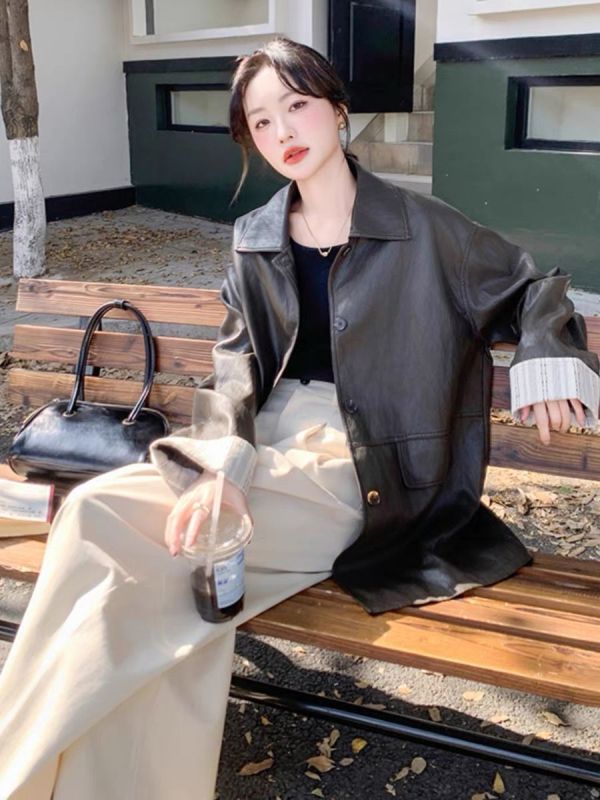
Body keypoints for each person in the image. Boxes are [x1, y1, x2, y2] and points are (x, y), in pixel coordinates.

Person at [0, 36, 598, 800]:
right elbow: (236, 368)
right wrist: (225, 464)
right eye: (260, 120)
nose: (282, 130)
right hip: (256, 443)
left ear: (337, 110)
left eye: (297, 105)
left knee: (137, 550)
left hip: (364, 465)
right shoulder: (254, 238)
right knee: (119, 545)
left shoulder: (426, 227)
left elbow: (533, 286)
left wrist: (545, 356)